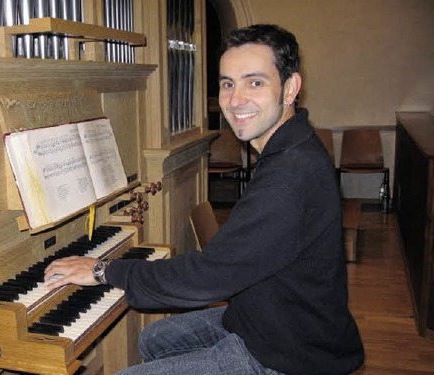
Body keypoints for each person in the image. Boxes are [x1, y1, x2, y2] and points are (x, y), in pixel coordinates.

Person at [44, 24, 364, 374]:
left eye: (254, 82)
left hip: (286, 355)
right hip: (268, 317)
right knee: (154, 339)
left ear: (290, 88)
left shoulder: (290, 176)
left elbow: (206, 278)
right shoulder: (288, 146)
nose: (235, 99)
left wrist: (104, 269)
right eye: (228, 83)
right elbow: (233, 260)